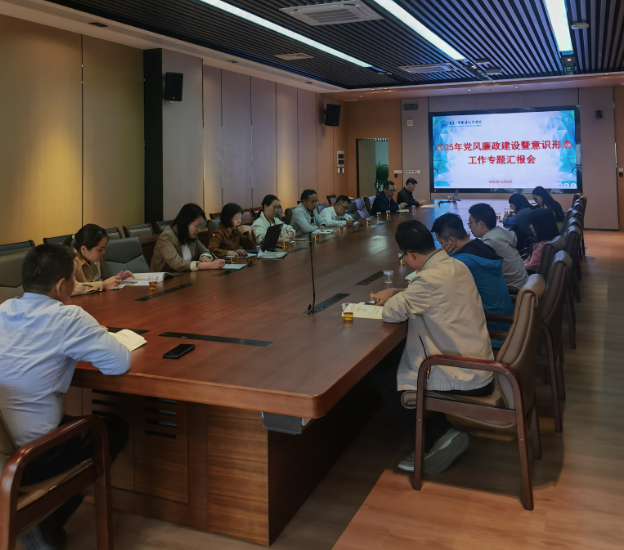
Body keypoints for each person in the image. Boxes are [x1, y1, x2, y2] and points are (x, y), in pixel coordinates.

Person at [0, 244, 132, 550]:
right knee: (111, 429)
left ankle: (38, 519)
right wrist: (95, 334)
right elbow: (118, 363)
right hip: (30, 457)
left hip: (1, 450)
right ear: (61, 285)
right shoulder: (68, 317)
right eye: (74, 278)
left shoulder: (3, 310)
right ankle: (43, 519)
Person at [369, 220, 494, 475]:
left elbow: (391, 313)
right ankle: (442, 432)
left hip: (464, 371)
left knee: (386, 377)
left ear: (411, 254)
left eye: (403, 256)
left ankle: (429, 443)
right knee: (401, 363)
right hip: (478, 360)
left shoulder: (426, 280)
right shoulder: (455, 264)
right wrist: (399, 291)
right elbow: (424, 295)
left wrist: (394, 296)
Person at [431, 213, 514, 347]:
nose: (442, 248)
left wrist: (446, 256)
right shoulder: (480, 246)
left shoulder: (462, 262)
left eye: (442, 243)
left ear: (451, 240)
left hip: (491, 332)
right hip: (504, 323)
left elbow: (433, 283)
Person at [468, 203, 528, 290]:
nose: (469, 227)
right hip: (522, 284)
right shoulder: (498, 232)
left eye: (470, 223)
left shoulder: (490, 242)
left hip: (513, 291)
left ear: (481, 224)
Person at [151, 203, 225, 272]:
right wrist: (209, 265)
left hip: (184, 276)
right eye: (197, 226)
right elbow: (177, 264)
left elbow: (205, 251)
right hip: (162, 279)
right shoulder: (166, 237)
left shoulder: (191, 235)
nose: (199, 230)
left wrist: (204, 257)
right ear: (186, 223)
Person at [63, 224, 134, 296]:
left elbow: (94, 282)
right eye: (100, 249)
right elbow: (69, 288)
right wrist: (102, 285)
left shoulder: (93, 260)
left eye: (103, 248)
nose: (103, 252)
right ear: (83, 249)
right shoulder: (70, 261)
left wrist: (117, 279)